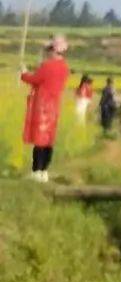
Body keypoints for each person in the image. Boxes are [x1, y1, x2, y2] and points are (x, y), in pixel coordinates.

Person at [21, 35, 71, 182]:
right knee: (49, 139)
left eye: (48, 49)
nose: (47, 52)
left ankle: (36, 170)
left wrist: (24, 73)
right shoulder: (65, 67)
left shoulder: (47, 65)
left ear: (53, 50)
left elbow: (34, 80)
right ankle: (44, 171)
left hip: (42, 105)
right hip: (55, 105)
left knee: (39, 139)